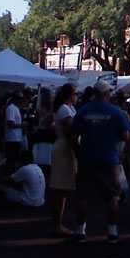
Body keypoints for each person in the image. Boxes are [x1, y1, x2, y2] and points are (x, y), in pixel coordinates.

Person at [70, 80, 129, 244]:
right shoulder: (116, 112)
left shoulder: (83, 111)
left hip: (87, 158)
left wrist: (78, 152)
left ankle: (80, 230)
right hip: (108, 158)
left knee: (83, 196)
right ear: (106, 93)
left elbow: (73, 135)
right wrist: (122, 153)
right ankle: (112, 231)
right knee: (111, 197)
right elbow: (126, 136)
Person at [49, 84, 78, 237]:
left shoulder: (66, 108)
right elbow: (69, 131)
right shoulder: (65, 110)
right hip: (65, 148)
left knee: (62, 188)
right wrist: (77, 148)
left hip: (64, 147)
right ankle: (56, 224)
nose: (77, 95)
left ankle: (57, 223)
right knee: (60, 188)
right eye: (75, 93)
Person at [4, 91, 28, 170]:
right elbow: (10, 123)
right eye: (19, 98)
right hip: (12, 138)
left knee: (15, 157)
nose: (21, 99)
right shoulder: (11, 108)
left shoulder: (16, 108)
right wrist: (22, 125)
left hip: (16, 137)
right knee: (11, 158)